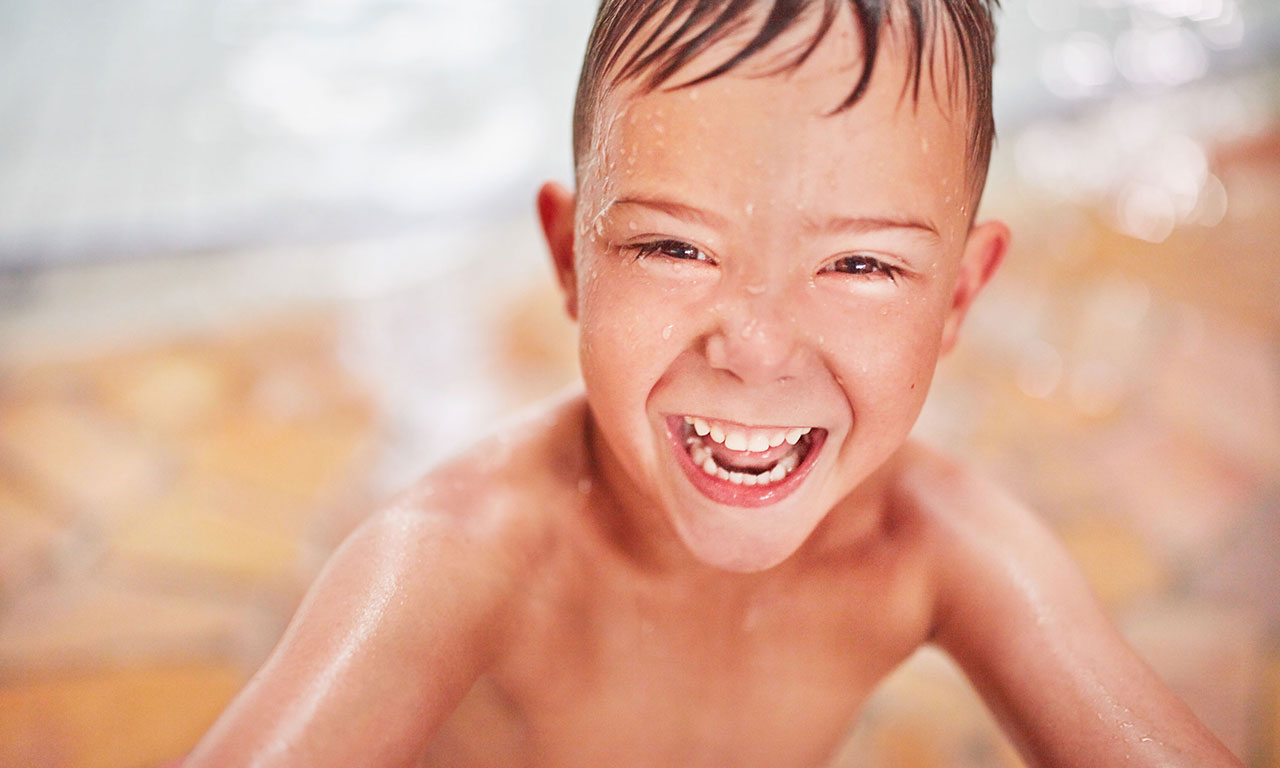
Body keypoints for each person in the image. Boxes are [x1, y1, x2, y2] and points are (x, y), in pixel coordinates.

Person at [183, 1, 1245, 766]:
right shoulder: (467, 556)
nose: (756, 346)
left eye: (860, 264)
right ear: (569, 258)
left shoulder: (936, 549)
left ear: (960, 296)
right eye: (674, 249)